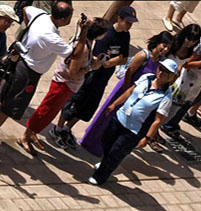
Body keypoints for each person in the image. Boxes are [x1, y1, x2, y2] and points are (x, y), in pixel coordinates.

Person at [0, 1, 84, 157]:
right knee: (8, 108)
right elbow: (74, 54)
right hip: (27, 74)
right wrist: (83, 32)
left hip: (17, 62)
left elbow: (25, 9)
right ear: (65, 19)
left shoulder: (39, 15)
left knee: (0, 100)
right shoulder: (52, 37)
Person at [19, 17, 110, 155]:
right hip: (64, 84)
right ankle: (25, 136)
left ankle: (33, 132)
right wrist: (92, 67)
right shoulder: (84, 48)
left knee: (49, 112)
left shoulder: (84, 40)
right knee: (46, 110)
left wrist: (93, 60)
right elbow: (73, 73)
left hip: (66, 85)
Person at [50, 5, 136, 150]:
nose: (130, 25)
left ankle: (67, 129)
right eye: (127, 22)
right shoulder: (107, 33)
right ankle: (58, 128)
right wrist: (110, 61)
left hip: (103, 79)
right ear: (119, 18)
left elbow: (124, 58)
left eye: (132, 23)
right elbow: (98, 57)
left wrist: (113, 61)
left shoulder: (125, 36)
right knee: (75, 101)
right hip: (91, 75)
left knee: (89, 106)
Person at [80, 30, 173, 157]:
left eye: (168, 47)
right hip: (125, 90)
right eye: (164, 45)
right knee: (107, 116)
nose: (166, 49)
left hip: (136, 97)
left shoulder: (161, 63)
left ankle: (103, 148)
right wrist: (126, 91)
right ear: (158, 43)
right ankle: (89, 142)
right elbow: (130, 72)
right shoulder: (143, 55)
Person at [88, 59, 178, 186]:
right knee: (106, 141)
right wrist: (114, 104)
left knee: (116, 152)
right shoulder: (146, 77)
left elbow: (158, 120)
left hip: (133, 130)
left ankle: (100, 176)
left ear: (171, 77)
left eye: (166, 72)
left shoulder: (165, 97)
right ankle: (105, 163)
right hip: (120, 118)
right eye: (161, 68)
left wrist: (147, 138)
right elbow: (130, 91)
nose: (161, 72)